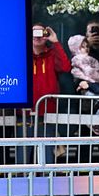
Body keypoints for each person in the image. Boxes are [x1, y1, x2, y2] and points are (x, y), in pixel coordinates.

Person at [16, 23, 69, 165]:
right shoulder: (21, 54)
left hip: (47, 114)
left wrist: (55, 42)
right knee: (23, 158)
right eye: (34, 33)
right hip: (24, 113)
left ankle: (46, 185)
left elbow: (65, 66)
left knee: (46, 158)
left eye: (41, 33)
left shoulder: (51, 54)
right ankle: (21, 185)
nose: (37, 37)